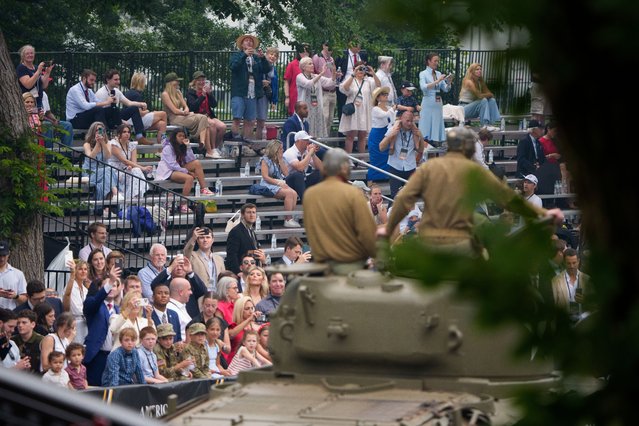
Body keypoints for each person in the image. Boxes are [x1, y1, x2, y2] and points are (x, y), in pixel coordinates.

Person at [384, 127, 564, 255]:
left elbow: (402, 201)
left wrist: (389, 229)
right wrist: (540, 212)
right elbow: (507, 199)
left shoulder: (429, 168)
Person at [303, 148, 377, 272]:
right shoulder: (353, 193)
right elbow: (367, 232)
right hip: (348, 264)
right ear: (344, 168)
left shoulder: (310, 194)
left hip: (319, 262)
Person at [154, 127, 213, 213]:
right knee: (189, 178)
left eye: (183, 136)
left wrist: (188, 147)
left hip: (179, 168)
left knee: (196, 163)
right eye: (179, 136)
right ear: (175, 137)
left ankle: (203, 188)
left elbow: (191, 159)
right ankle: (183, 205)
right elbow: (172, 165)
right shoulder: (168, 148)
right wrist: (187, 172)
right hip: (168, 171)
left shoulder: (182, 146)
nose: (182, 138)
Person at [230, 34, 272, 141]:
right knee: (237, 118)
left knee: (250, 120)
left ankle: (246, 143)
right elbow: (233, 67)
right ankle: (234, 142)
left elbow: (266, 69)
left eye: (251, 41)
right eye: (246, 41)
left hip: (252, 92)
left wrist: (263, 59)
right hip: (239, 92)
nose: (249, 42)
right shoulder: (236, 56)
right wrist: (244, 55)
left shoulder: (257, 58)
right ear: (242, 44)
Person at [83, 272, 122, 386]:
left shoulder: (118, 309)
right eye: (109, 285)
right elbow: (95, 301)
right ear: (100, 288)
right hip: (97, 356)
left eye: (114, 285)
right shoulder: (92, 303)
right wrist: (110, 282)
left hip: (114, 357)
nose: (111, 288)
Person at [94, 69, 152, 145]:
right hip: (106, 121)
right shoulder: (101, 93)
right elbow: (99, 114)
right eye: (115, 79)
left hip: (115, 116)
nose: (118, 82)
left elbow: (129, 103)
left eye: (119, 79)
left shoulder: (116, 91)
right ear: (108, 80)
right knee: (115, 109)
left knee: (133, 108)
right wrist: (121, 121)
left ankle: (139, 136)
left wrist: (141, 104)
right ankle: (107, 137)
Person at [253, 140, 300, 227]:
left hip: (280, 182)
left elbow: (286, 174)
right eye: (281, 149)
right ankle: (288, 219)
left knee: (294, 193)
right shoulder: (265, 160)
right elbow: (265, 177)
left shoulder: (282, 159)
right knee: (289, 193)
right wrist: (278, 182)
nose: (283, 150)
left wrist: (280, 160)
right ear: (275, 149)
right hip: (268, 184)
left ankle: (290, 217)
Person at [338, 61, 381, 154]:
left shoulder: (368, 81)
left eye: (363, 69)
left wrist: (373, 73)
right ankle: (349, 159)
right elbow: (344, 88)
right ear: (354, 70)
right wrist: (353, 75)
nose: (361, 71)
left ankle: (361, 160)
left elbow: (378, 85)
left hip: (364, 110)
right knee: (350, 135)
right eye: (359, 69)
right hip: (353, 110)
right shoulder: (351, 80)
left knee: (362, 136)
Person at [379, 111, 424, 200]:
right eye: (407, 121)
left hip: (410, 167)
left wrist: (421, 137)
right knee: (395, 197)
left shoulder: (415, 131)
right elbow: (381, 147)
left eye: (411, 121)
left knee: (410, 197)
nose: (409, 123)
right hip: (395, 166)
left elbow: (420, 150)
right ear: (401, 119)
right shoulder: (393, 129)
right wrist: (391, 135)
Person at [161, 72, 211, 150]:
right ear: (171, 83)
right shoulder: (165, 94)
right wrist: (184, 112)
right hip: (174, 118)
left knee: (204, 117)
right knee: (203, 121)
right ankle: (200, 141)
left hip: (182, 115)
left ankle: (202, 142)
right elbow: (174, 110)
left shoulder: (178, 92)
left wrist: (186, 110)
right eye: (176, 81)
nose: (178, 82)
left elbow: (186, 106)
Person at [81, 122, 120, 218]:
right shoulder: (87, 144)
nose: (99, 132)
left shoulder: (107, 144)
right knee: (108, 170)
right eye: (97, 130)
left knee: (104, 181)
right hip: (90, 172)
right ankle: (116, 194)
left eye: (101, 130)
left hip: (104, 173)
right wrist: (98, 144)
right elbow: (91, 157)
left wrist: (102, 143)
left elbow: (108, 156)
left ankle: (105, 209)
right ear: (93, 131)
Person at [150, 254, 208, 319]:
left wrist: (190, 272)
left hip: (192, 320)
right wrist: (170, 268)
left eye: (182, 265)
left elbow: (203, 291)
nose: (179, 268)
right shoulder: (165, 284)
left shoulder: (192, 282)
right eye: (176, 266)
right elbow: (154, 285)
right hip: (172, 319)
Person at [186, 71, 226, 158]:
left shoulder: (206, 91)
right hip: (198, 117)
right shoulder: (191, 92)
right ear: (194, 81)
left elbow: (214, 105)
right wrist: (202, 96)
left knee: (223, 127)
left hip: (208, 115)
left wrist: (209, 94)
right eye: (199, 80)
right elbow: (193, 107)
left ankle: (214, 147)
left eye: (203, 80)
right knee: (212, 124)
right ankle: (210, 150)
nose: (201, 82)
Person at [107, 124, 151, 200]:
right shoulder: (113, 144)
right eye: (124, 132)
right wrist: (143, 168)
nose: (127, 134)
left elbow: (134, 163)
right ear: (119, 134)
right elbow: (124, 160)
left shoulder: (132, 145)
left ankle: (134, 197)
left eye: (128, 132)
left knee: (136, 170)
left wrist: (131, 167)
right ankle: (135, 197)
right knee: (138, 170)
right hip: (114, 171)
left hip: (126, 170)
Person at [296, 57, 336, 138]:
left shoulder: (315, 76)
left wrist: (334, 72)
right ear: (303, 67)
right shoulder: (299, 76)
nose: (312, 65)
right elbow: (308, 84)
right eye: (310, 64)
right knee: (306, 131)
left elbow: (330, 83)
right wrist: (321, 73)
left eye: (312, 63)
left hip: (316, 107)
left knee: (317, 133)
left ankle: (316, 148)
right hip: (305, 108)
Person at [418, 53, 453, 147]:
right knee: (426, 121)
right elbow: (424, 87)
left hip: (437, 102)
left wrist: (449, 82)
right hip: (428, 101)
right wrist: (438, 81)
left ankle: (436, 142)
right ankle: (424, 142)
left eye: (438, 61)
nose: (437, 63)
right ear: (429, 61)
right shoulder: (423, 73)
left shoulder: (438, 73)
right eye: (435, 61)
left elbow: (445, 89)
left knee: (437, 121)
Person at [125, 72, 168, 143]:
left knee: (162, 124)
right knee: (163, 114)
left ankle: (161, 149)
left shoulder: (129, 93)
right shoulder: (136, 95)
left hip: (131, 120)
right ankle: (163, 147)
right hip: (134, 121)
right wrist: (148, 111)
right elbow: (140, 113)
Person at [225, 203, 267, 273]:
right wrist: (238, 272)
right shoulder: (235, 231)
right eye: (248, 212)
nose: (252, 215)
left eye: (253, 212)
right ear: (242, 215)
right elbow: (232, 255)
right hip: (241, 273)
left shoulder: (251, 230)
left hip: (251, 271)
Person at [283, 130, 323, 201]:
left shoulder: (306, 152)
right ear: (298, 141)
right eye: (306, 140)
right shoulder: (289, 152)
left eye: (308, 140)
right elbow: (300, 168)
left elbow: (321, 168)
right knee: (298, 174)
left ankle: (318, 199)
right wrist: (310, 153)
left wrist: (313, 154)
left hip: (302, 181)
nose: (308, 142)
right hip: (288, 182)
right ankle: (306, 201)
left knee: (320, 173)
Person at [367, 86, 396, 183]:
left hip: (386, 132)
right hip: (376, 134)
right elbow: (385, 115)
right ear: (378, 97)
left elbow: (392, 119)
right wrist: (393, 109)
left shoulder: (388, 107)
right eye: (383, 95)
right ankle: (374, 177)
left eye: (386, 94)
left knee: (386, 156)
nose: (386, 96)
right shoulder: (375, 109)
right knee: (376, 156)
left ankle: (385, 176)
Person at [184, 227, 226, 291]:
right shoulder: (192, 255)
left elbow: (224, 280)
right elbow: (186, 252)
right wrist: (193, 238)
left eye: (208, 237)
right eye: (202, 237)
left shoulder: (219, 259)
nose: (205, 240)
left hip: (217, 295)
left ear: (212, 240)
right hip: (200, 296)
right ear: (197, 240)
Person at [336, 39, 369, 117]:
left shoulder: (362, 55)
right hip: (345, 84)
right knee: (343, 107)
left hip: (359, 84)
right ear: (351, 45)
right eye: (357, 45)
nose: (359, 48)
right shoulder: (342, 55)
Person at [312, 42, 339, 135]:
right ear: (323, 46)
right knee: (324, 116)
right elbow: (313, 72)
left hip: (333, 91)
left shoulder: (331, 59)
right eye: (327, 45)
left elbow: (332, 74)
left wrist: (336, 74)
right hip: (323, 91)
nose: (330, 48)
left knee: (330, 118)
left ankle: (326, 138)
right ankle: (321, 138)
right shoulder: (317, 57)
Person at [16, 45, 54, 110]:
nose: (30, 55)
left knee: (38, 120)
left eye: (31, 53)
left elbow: (44, 85)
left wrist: (48, 72)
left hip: (38, 101)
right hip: (28, 103)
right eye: (27, 53)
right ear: (23, 56)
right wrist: (38, 71)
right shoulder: (21, 68)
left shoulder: (36, 67)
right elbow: (28, 85)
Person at [61, 259, 90, 343]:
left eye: (85, 269)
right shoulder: (71, 287)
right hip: (75, 322)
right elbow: (77, 309)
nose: (83, 271)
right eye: (80, 269)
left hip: (85, 323)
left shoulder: (85, 289)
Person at [227, 295, 262, 363]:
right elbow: (231, 334)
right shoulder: (233, 326)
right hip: (235, 363)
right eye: (247, 309)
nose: (251, 311)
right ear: (240, 310)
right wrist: (249, 320)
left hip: (251, 363)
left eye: (252, 308)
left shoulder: (253, 326)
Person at [255, 47, 280, 139]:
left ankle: (258, 142)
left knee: (261, 121)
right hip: (257, 94)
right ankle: (252, 142)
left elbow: (275, 86)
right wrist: (261, 82)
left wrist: (274, 100)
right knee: (253, 120)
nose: (272, 56)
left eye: (275, 56)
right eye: (271, 54)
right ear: (266, 54)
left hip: (265, 95)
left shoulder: (274, 70)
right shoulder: (259, 64)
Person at [11, 309, 43, 374]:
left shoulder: (42, 341)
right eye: (18, 323)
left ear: (33, 324)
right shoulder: (12, 341)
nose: (20, 325)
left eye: (24, 322)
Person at [284, 42, 311, 116]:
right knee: (295, 117)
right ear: (298, 52)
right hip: (295, 96)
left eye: (307, 51)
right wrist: (287, 97)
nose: (305, 53)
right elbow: (286, 81)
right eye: (302, 51)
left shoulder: (311, 64)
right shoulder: (292, 64)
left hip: (309, 96)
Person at [0, 240, 27, 310]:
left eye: (4, 255)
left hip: (10, 315)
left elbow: (25, 299)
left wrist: (16, 296)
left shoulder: (18, 274)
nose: (1, 258)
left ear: (9, 254)